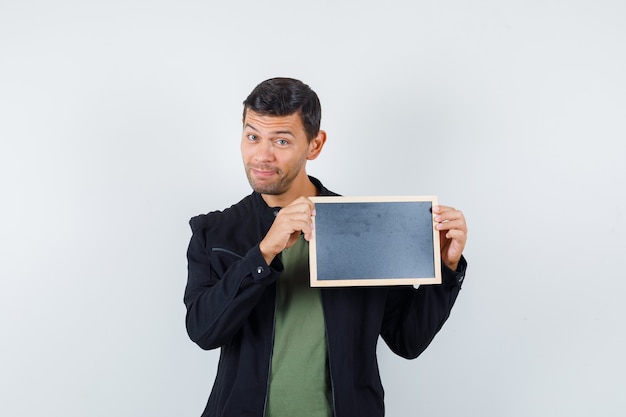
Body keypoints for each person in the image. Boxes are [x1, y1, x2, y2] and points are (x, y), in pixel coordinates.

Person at [184, 77, 468, 417]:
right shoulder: (214, 232)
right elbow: (203, 330)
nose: (262, 154)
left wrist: (446, 268)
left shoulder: (363, 226)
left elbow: (408, 340)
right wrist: (263, 253)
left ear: (315, 145)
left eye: (282, 140)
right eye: (252, 136)